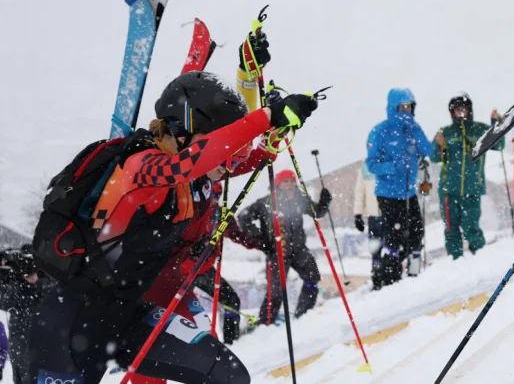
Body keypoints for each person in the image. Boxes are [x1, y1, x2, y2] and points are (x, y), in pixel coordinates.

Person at [28, 71, 317, 384]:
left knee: (228, 375)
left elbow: (228, 163)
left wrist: (270, 142)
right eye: (223, 148)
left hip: (128, 320)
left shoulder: (188, 175)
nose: (229, 161)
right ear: (183, 130)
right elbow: (190, 164)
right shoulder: (140, 164)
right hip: (70, 330)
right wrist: (268, 115)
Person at [236, 170, 331, 323]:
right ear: (278, 184)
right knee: (276, 292)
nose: (290, 185)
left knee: (313, 279)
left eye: (292, 181)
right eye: (285, 182)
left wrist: (324, 202)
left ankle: (303, 316)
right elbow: (243, 217)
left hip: (299, 250)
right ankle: (266, 324)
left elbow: (317, 213)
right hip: (277, 252)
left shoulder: (301, 200)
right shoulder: (267, 202)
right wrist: (258, 236)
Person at [364, 88, 434, 288]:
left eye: (409, 107)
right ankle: (390, 277)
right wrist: (392, 167)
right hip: (388, 194)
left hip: (409, 192)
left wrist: (416, 131)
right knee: (395, 234)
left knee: (416, 231)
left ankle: (414, 271)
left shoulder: (412, 129)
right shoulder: (380, 131)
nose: (406, 111)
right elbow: (372, 164)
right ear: (392, 108)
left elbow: (427, 150)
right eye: (402, 107)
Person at [431, 93, 502, 260]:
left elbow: (499, 144)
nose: (461, 112)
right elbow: (434, 157)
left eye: (464, 109)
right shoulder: (445, 132)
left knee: (472, 227)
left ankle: (480, 258)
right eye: (457, 110)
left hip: (472, 188)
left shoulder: (480, 130)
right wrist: (437, 144)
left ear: (470, 110)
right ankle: (455, 261)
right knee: (451, 228)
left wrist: (496, 123)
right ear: (452, 112)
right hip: (449, 190)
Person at [1, 244, 47, 384]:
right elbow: (4, 302)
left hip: (36, 343)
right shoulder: (15, 285)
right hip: (18, 341)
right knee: (19, 377)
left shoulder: (45, 285)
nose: (32, 275)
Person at [350, 158, 384, 284]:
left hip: (390, 213)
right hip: (374, 216)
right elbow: (360, 193)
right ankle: (377, 277)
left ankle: (391, 274)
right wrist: (358, 214)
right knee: (376, 250)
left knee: (393, 246)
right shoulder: (365, 169)